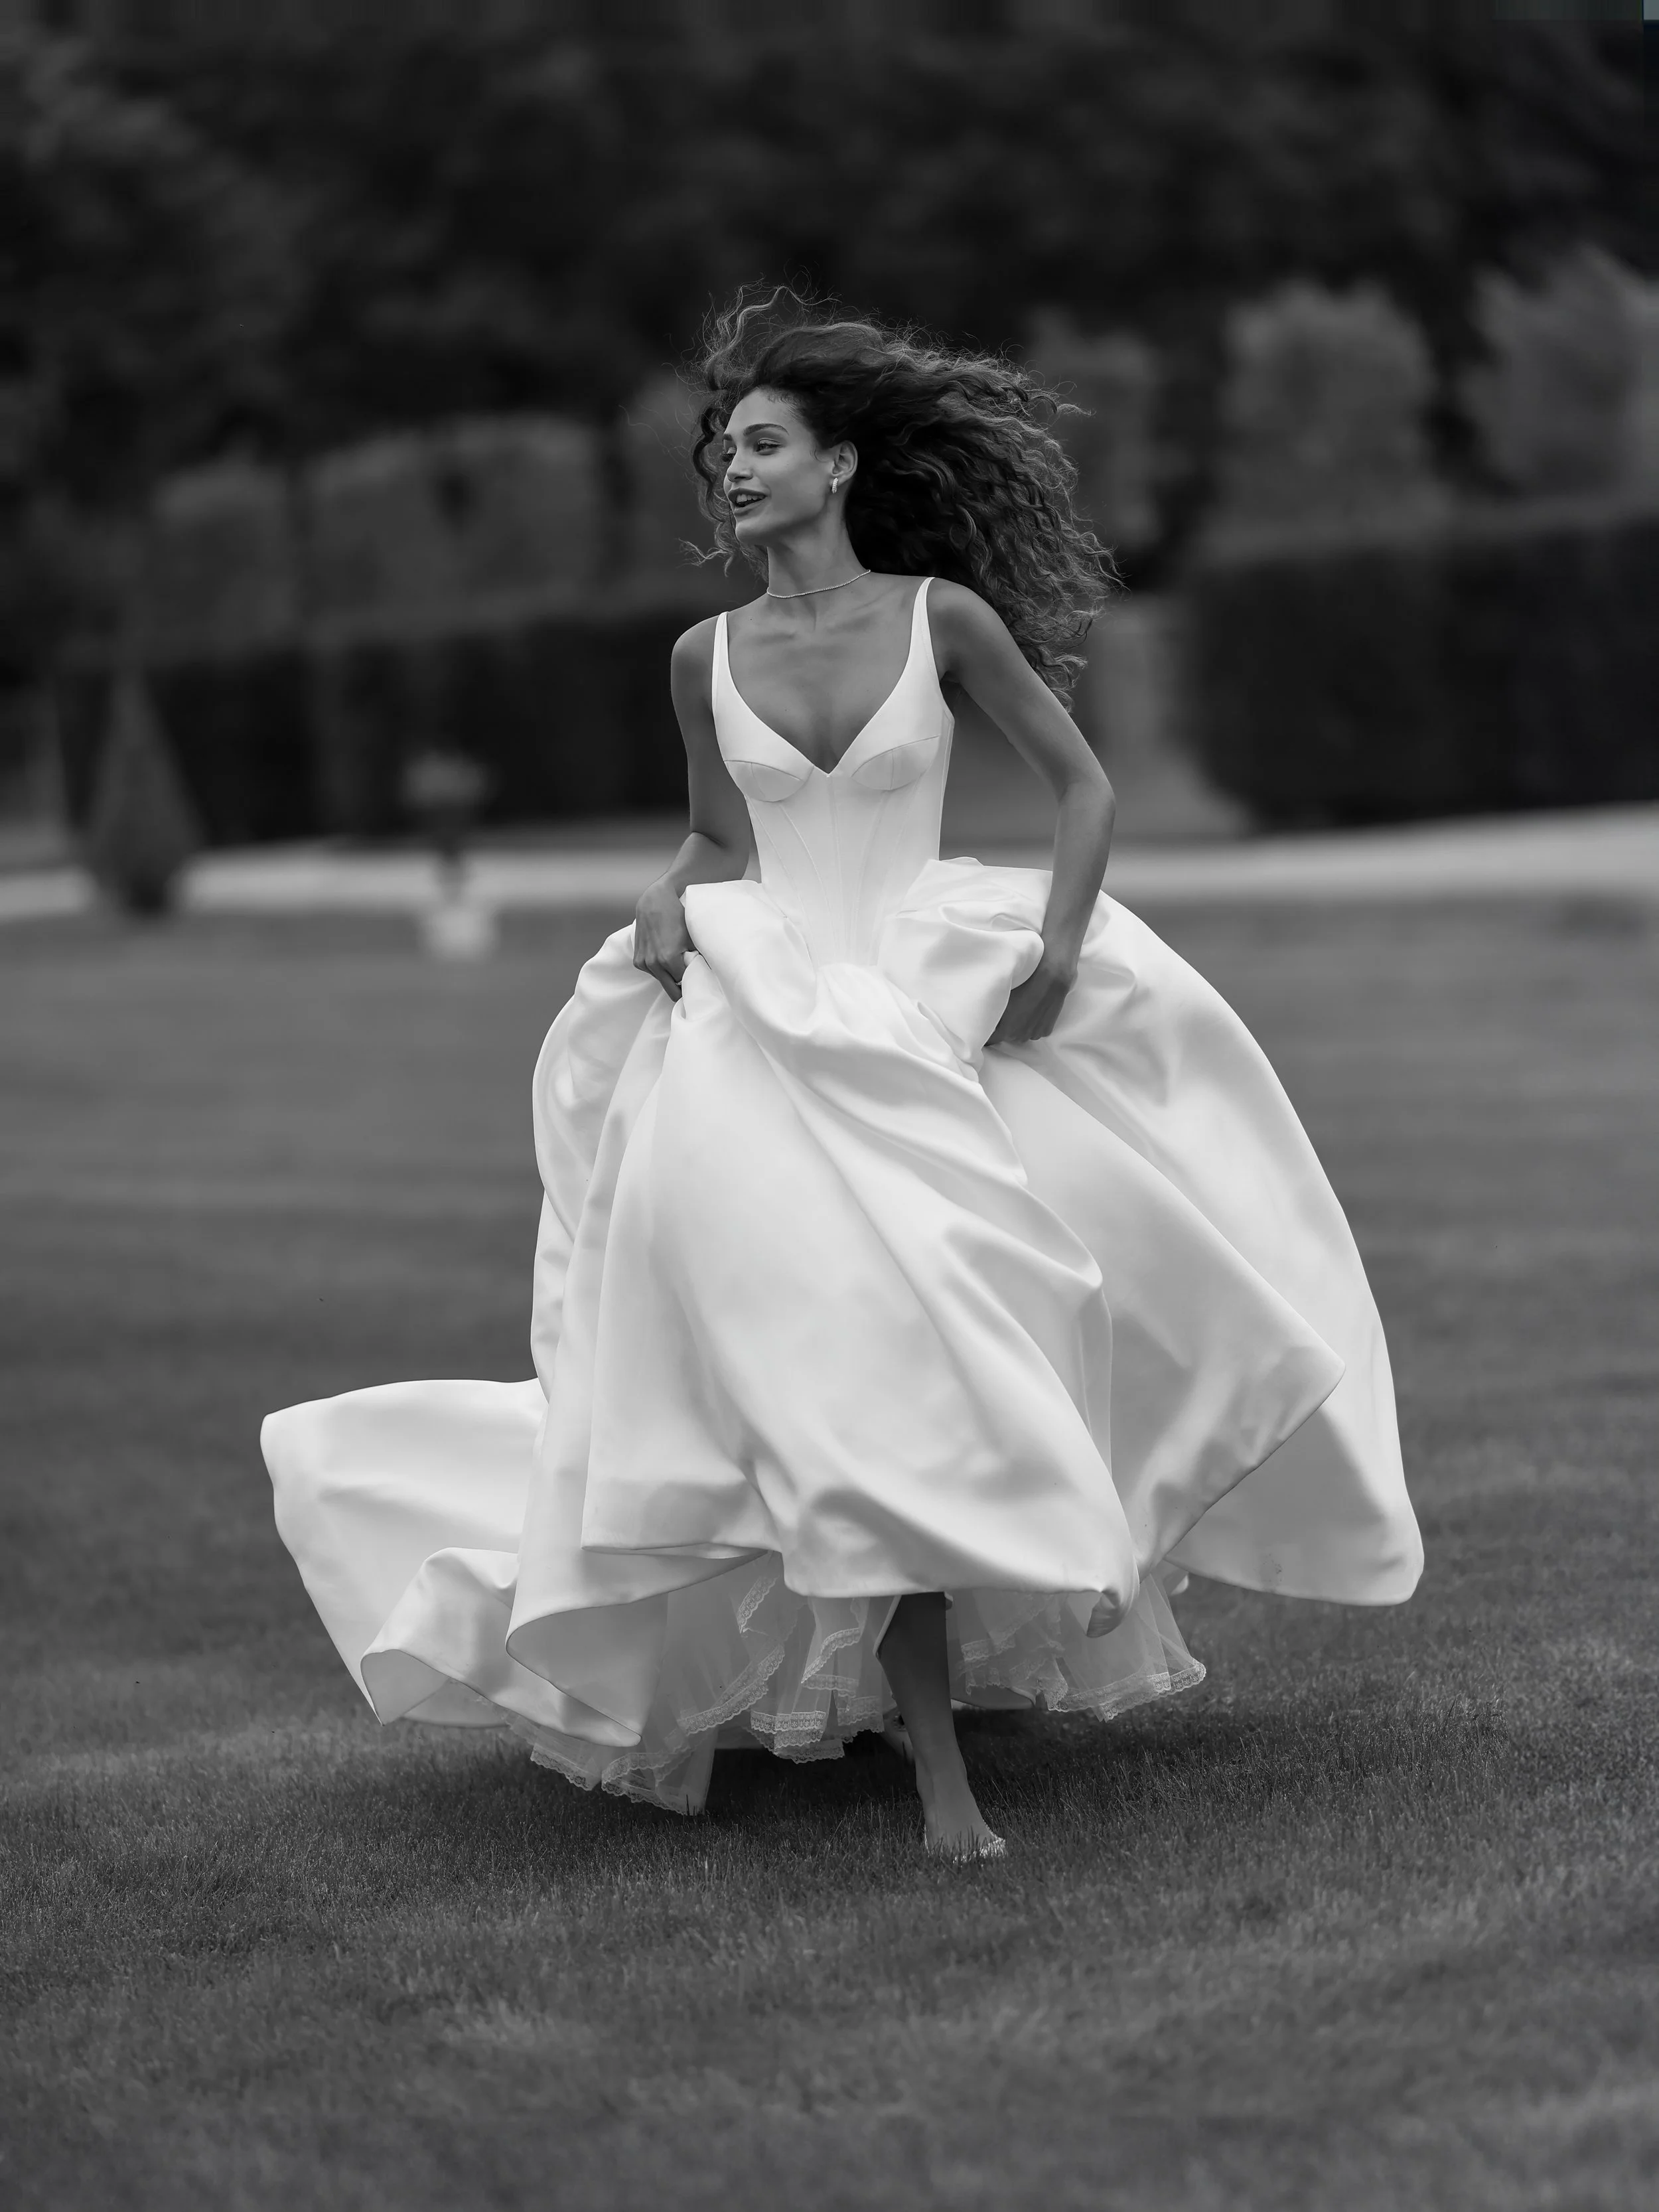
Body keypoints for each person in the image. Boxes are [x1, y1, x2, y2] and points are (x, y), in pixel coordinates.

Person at [263, 291, 1421, 1861]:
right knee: (830, 1368)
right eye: (718, 453)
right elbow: (720, 834)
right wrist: (672, 891)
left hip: (928, 1013)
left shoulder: (939, 619)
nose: (729, 472)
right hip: (755, 1033)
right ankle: (936, 1772)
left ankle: (968, 1689)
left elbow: (1078, 790)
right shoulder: (703, 657)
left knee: (962, 1340)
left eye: (758, 444)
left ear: (837, 462)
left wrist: (1058, 957)